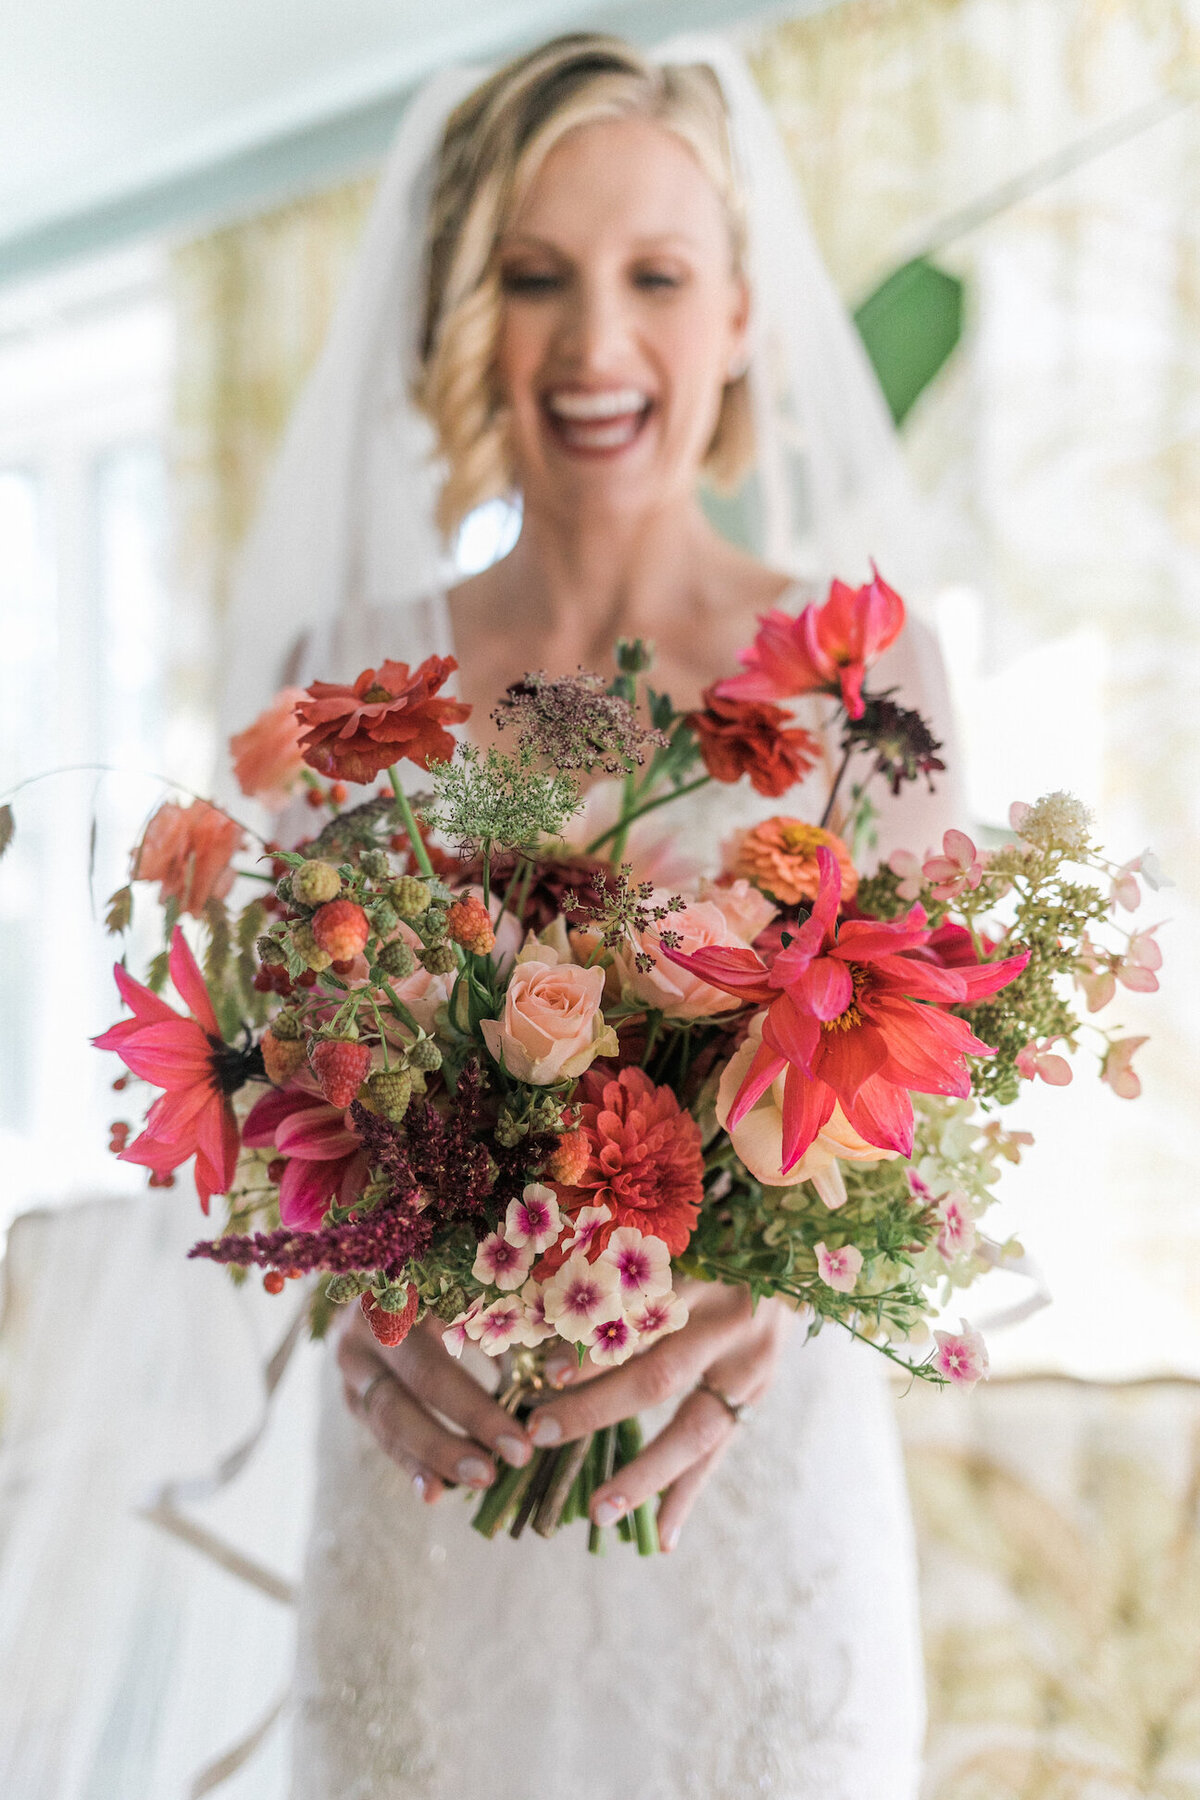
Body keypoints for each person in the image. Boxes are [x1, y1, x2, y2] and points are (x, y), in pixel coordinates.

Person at [226, 33, 955, 1799]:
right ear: (456, 315)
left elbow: (922, 1110)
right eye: (533, 279)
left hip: (752, 1519)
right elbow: (273, 1104)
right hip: (436, 1505)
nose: (595, 346)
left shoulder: (866, 674)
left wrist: (793, 1290)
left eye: (655, 276)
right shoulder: (342, 684)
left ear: (741, 310)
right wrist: (356, 1295)